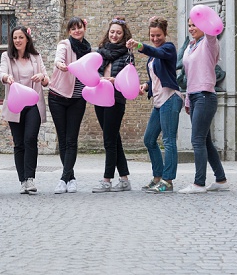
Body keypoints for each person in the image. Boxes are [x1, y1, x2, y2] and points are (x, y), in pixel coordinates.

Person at [126, 16, 181, 193]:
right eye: (152, 35)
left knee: (168, 140)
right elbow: (156, 77)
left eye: (158, 35)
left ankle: (168, 180)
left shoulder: (168, 48)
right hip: (158, 101)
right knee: (149, 139)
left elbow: (158, 53)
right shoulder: (153, 56)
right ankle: (157, 177)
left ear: (165, 34)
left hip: (170, 99)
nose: (155, 39)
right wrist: (146, 85)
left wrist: (140, 46)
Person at [177, 17, 228, 194]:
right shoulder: (191, 46)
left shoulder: (209, 43)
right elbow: (190, 75)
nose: (191, 28)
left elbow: (212, 32)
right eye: (189, 25)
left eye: (195, 25)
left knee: (197, 140)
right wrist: (188, 99)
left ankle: (199, 183)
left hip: (206, 96)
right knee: (205, 140)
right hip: (194, 96)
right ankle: (221, 179)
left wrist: (204, 17)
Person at [0, 26, 48, 195]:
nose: (18, 41)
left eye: (21, 37)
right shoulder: (7, 56)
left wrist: (42, 77)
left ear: (27, 39)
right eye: (15, 38)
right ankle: (22, 180)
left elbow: (46, 78)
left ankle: (30, 178)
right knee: (19, 143)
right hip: (15, 104)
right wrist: (7, 77)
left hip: (33, 104)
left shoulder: (36, 57)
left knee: (30, 139)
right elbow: (1, 74)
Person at [47, 17, 91, 194]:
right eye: (73, 28)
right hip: (58, 96)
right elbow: (59, 57)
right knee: (63, 138)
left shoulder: (88, 50)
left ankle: (65, 178)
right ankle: (69, 177)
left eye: (79, 27)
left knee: (72, 139)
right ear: (69, 31)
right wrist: (60, 64)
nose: (76, 31)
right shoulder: (64, 44)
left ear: (84, 29)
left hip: (78, 98)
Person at [92, 17, 134, 193]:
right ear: (108, 33)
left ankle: (107, 180)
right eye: (112, 32)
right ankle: (124, 179)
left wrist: (115, 80)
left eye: (118, 32)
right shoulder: (100, 52)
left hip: (116, 99)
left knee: (109, 140)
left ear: (124, 35)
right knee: (114, 138)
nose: (115, 35)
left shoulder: (126, 54)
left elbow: (130, 78)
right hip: (99, 97)